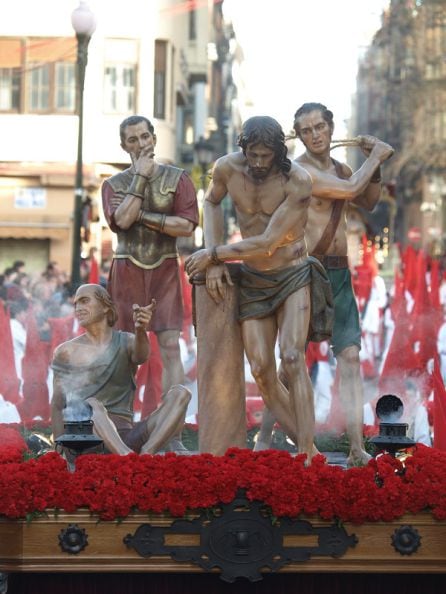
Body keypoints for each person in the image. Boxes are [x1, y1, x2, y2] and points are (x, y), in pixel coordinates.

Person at [185, 115, 333, 463]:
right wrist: (217, 260)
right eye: (253, 154)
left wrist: (213, 254)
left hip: (293, 273)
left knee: (293, 358)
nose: (259, 162)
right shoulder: (226, 168)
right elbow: (210, 201)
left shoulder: (298, 180)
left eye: (267, 155)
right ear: (244, 148)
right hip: (253, 278)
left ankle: (305, 454)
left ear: (279, 152)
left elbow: (268, 242)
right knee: (263, 371)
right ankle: (309, 447)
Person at [291, 102, 394, 465]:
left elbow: (367, 199)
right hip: (304, 273)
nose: (315, 134)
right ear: (299, 135)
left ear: (331, 129)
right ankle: (270, 438)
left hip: (338, 273)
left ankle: (355, 447)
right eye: (307, 130)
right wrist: (377, 155)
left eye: (320, 126)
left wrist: (375, 164)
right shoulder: (299, 170)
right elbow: (352, 188)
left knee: (350, 358)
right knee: (292, 360)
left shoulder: (342, 167)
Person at [101, 115, 199, 450]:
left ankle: (172, 433)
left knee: (171, 347)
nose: (141, 144)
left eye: (145, 136)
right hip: (127, 269)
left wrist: (142, 215)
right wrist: (140, 179)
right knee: (124, 351)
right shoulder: (112, 185)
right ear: (123, 145)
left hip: (165, 267)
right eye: (133, 139)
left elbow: (186, 227)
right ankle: (122, 430)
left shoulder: (178, 179)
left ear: (154, 138)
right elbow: (121, 222)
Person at [51, 284, 191, 455]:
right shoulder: (66, 351)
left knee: (180, 393)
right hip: (87, 438)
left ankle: (147, 453)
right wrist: (61, 453)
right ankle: (127, 457)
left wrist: (140, 329)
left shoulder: (127, 341)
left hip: (125, 435)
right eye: (76, 304)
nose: (78, 308)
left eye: (85, 301)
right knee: (92, 404)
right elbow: (58, 404)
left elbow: (141, 356)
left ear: (105, 307)